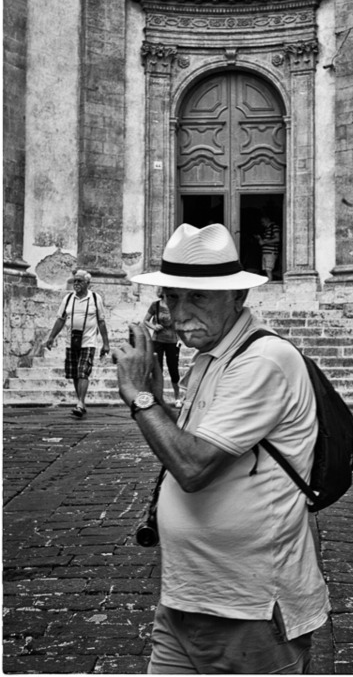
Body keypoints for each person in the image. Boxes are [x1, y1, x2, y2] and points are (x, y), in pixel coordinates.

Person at [113, 223, 330, 674]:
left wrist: (141, 397)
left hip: (249, 609)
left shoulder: (262, 360)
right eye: (172, 297)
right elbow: (194, 443)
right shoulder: (212, 359)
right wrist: (156, 394)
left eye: (197, 297)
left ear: (238, 298)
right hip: (187, 598)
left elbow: (193, 467)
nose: (178, 312)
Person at [43, 269, 110, 418]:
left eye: (79, 281)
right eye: (75, 281)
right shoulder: (68, 298)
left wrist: (106, 343)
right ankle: (81, 402)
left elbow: (101, 321)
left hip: (89, 341)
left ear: (87, 282)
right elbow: (60, 319)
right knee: (74, 373)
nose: (76, 283)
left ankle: (80, 402)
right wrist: (51, 337)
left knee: (83, 372)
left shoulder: (95, 298)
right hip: (71, 341)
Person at [143, 289, 182, 408]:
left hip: (172, 341)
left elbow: (181, 322)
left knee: (173, 370)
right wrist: (154, 326)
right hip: (158, 340)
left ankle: (178, 398)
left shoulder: (176, 305)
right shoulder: (155, 305)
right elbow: (145, 321)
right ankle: (158, 397)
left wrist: (180, 339)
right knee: (157, 369)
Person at [255, 213, 280, 280]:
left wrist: (264, 242)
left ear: (267, 220)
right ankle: (269, 283)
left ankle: (270, 284)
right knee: (266, 270)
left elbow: (277, 239)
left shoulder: (274, 227)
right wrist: (260, 239)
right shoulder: (267, 229)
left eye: (263, 222)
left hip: (271, 252)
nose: (262, 223)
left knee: (268, 270)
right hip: (266, 252)